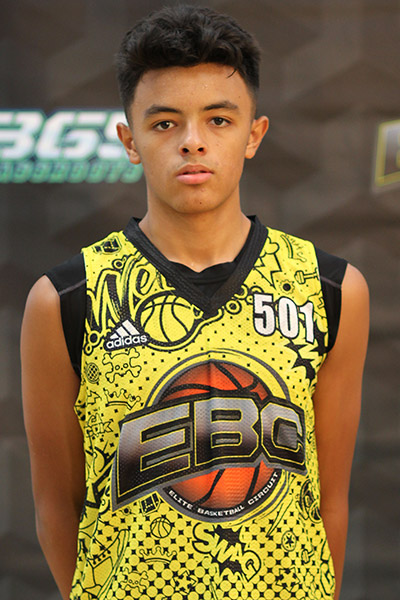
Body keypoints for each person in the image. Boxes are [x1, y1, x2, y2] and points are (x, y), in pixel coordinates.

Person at [21, 5, 369, 600]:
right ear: (129, 141)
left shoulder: (330, 287)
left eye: (218, 120)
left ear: (253, 134)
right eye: (164, 123)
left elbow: (329, 501)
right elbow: (57, 506)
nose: (192, 141)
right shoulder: (67, 297)